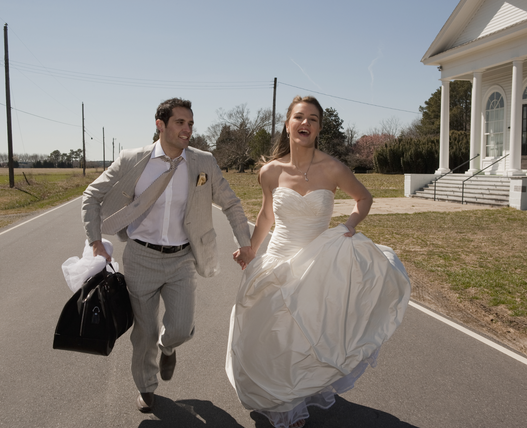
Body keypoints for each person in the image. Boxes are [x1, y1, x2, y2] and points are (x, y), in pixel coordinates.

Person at [225, 96, 411, 428]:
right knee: (274, 335)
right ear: (287, 124)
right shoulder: (270, 172)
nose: (305, 123)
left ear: (319, 128)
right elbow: (267, 215)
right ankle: (279, 399)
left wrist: (349, 226)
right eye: (299, 117)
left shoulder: (333, 168)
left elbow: (364, 198)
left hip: (318, 263)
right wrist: (252, 248)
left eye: (313, 118)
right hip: (278, 261)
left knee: (304, 335)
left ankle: (294, 401)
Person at [82, 97, 254, 413]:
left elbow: (231, 203)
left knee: (181, 327)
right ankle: (146, 388)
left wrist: (246, 242)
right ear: (160, 125)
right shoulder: (132, 159)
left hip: (182, 259)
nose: (187, 129)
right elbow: (91, 195)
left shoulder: (204, 162)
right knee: (144, 332)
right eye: (180, 122)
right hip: (140, 258)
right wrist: (95, 241)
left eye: (190, 123)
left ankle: (169, 347)